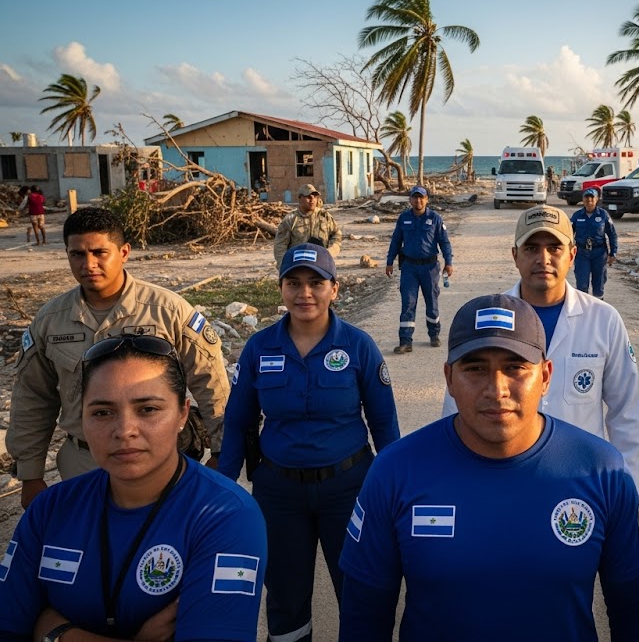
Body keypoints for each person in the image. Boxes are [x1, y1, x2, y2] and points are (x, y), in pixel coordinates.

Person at [339, 294, 639, 641]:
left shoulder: (602, 470)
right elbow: (364, 616)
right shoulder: (395, 472)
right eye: (475, 368)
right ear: (449, 377)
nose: (496, 389)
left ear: (546, 375)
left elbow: (635, 611)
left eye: (515, 367)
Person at [0, 335, 267, 642]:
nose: (124, 430)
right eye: (102, 412)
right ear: (81, 419)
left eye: (148, 409)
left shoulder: (227, 515)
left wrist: (56, 632)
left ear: (182, 414)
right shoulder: (51, 508)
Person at [219, 243, 400, 642]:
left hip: (349, 489)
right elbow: (238, 422)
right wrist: (220, 486)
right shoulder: (260, 347)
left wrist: (393, 489)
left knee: (358, 587)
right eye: (294, 283)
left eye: (316, 283)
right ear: (280, 288)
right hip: (279, 493)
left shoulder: (357, 346)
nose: (305, 293)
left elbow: (384, 424)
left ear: (334, 288)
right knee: (284, 594)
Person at [7, 207, 229, 510]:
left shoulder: (168, 311)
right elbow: (33, 397)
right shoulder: (50, 321)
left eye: (100, 252)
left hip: (157, 460)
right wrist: (30, 475)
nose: (89, 264)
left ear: (124, 252)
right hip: (82, 464)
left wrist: (221, 451)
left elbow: (211, 384)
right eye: (77, 254)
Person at [441, 205, 639, 495]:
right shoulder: (487, 320)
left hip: (581, 478)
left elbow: (626, 411)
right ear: (515, 255)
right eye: (531, 248)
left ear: (572, 254)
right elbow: (456, 407)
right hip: (502, 478)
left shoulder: (603, 320)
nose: (543, 259)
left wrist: (631, 488)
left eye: (554, 247)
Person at [385, 186, 454, 354]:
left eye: (421, 197)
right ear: (410, 200)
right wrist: (389, 261)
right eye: (415, 197)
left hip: (430, 268)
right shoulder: (403, 218)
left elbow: (444, 242)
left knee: (432, 302)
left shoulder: (435, 218)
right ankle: (405, 341)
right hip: (409, 268)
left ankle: (434, 334)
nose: (418, 201)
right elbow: (396, 241)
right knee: (408, 302)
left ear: (427, 199)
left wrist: (449, 262)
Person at [273, 183, 343, 266]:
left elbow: (337, 235)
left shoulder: (324, 216)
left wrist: (331, 251)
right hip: (299, 265)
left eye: (315, 196)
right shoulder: (290, 219)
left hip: (321, 263)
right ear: (300, 198)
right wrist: (284, 266)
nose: (312, 200)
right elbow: (280, 246)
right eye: (308, 197)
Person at [570, 187, 618, 299]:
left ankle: (598, 307)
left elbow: (612, 234)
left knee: (599, 283)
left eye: (592, 199)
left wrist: (613, 253)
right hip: (582, 254)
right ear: (583, 200)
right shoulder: (577, 216)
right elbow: (568, 234)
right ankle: (583, 309)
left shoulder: (603, 215)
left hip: (599, 254)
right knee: (582, 284)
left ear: (596, 199)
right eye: (586, 199)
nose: (589, 201)